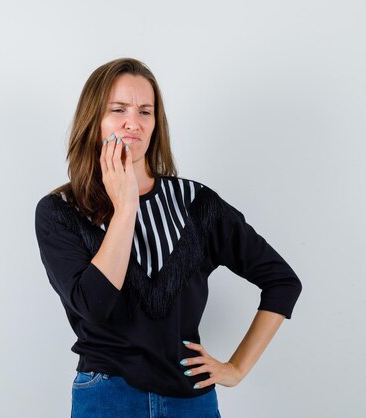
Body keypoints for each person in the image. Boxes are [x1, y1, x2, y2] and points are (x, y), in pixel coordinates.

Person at [34, 57, 302, 418]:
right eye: (118, 109)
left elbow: (283, 282)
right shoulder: (60, 211)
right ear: (93, 119)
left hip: (191, 400)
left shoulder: (195, 203)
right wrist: (126, 206)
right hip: (107, 397)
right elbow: (95, 307)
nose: (134, 122)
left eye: (146, 111)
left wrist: (235, 369)